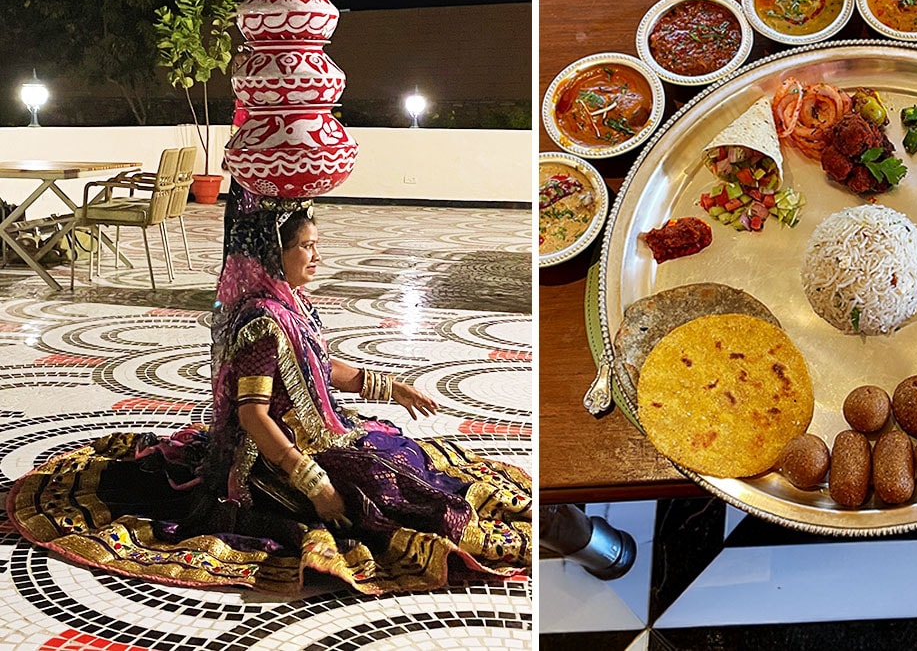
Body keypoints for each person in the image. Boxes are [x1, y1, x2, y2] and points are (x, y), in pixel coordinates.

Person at [6, 191, 531, 595]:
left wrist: (391, 388)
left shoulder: (295, 304)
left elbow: (324, 370)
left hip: (321, 432)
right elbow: (254, 416)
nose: (316, 257)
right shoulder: (261, 321)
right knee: (376, 493)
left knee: (403, 457)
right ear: (273, 253)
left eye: (317, 245)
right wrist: (315, 483)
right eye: (306, 246)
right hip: (267, 459)